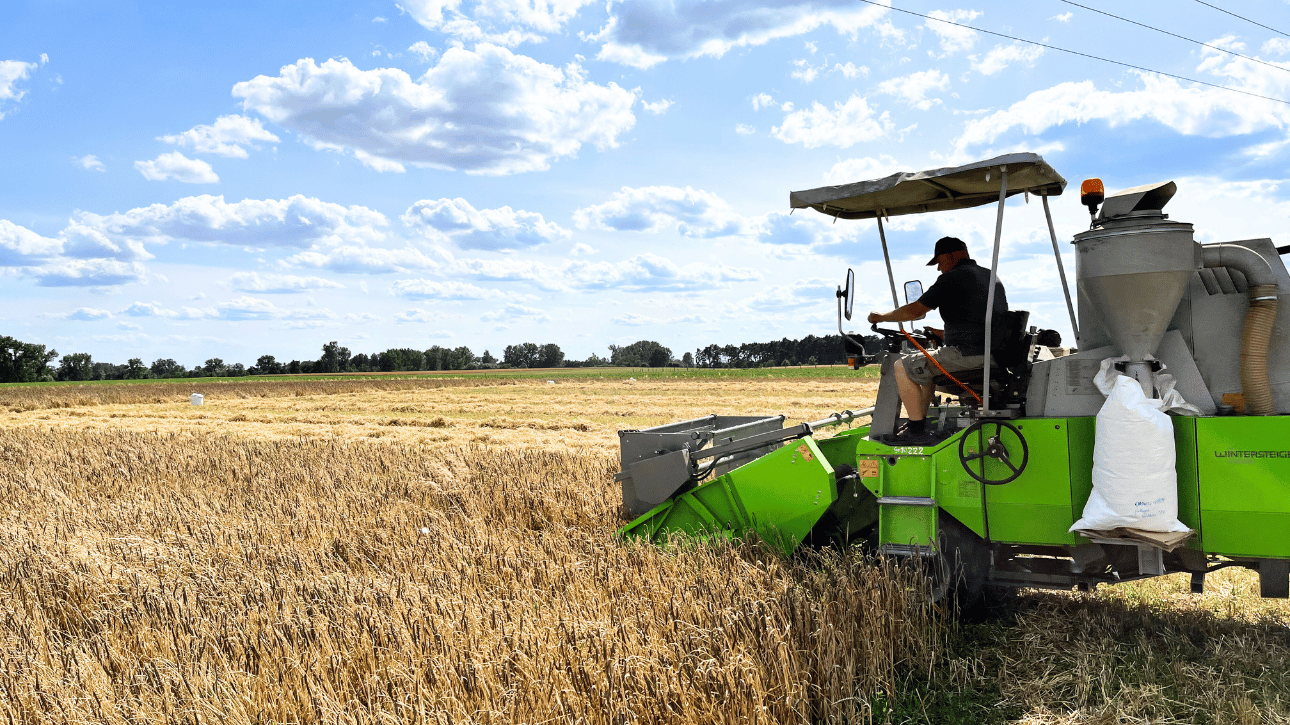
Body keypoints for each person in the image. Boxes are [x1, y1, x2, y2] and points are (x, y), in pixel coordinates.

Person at [867, 236, 1008, 438]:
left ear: (953, 256)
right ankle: (919, 423)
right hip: (990, 353)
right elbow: (979, 323)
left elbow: (916, 310)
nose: (938, 268)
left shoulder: (953, 277)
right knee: (926, 368)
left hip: (967, 355)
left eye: (939, 262)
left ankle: (916, 431)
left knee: (901, 367)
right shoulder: (989, 275)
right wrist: (940, 334)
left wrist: (880, 317)